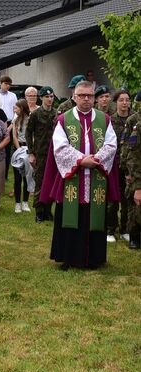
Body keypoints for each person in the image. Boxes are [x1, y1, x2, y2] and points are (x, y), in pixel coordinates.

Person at [39, 81, 120, 270]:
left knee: (93, 215)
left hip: (95, 178)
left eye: (89, 96)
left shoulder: (104, 119)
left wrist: (97, 159)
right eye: (81, 95)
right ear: (74, 97)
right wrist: (82, 160)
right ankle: (68, 258)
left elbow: (111, 144)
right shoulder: (63, 119)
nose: (86, 99)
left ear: (94, 97)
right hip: (72, 177)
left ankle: (94, 259)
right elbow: (60, 147)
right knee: (70, 215)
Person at [26, 86, 58, 223]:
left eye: (51, 97)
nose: (49, 99)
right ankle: (39, 212)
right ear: (41, 98)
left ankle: (48, 210)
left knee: (51, 182)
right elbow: (28, 133)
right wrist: (31, 152)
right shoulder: (36, 114)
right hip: (40, 153)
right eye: (47, 97)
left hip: (54, 153)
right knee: (40, 182)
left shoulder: (57, 114)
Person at [106, 89, 132, 242]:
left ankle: (125, 229)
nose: (125, 103)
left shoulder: (134, 120)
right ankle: (110, 230)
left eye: (127, 100)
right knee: (113, 199)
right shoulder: (110, 120)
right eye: (121, 100)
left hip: (130, 166)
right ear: (116, 102)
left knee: (127, 199)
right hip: (113, 165)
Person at [121, 102, 141, 249]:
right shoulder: (137, 126)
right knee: (136, 208)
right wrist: (137, 184)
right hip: (138, 173)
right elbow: (132, 155)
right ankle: (134, 236)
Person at [10, 99, 32, 213]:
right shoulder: (15, 119)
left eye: (17, 107)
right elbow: (14, 135)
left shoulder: (30, 119)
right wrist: (19, 149)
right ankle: (17, 203)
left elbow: (32, 135)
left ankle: (25, 202)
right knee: (17, 178)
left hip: (28, 149)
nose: (15, 109)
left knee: (27, 176)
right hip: (18, 149)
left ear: (22, 108)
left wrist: (29, 149)